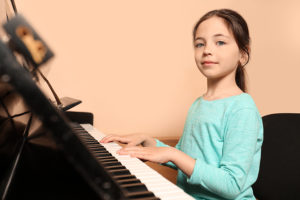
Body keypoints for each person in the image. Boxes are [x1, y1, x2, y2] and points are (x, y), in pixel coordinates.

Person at [101, 9, 263, 200]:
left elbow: (232, 185)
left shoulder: (242, 109)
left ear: (243, 54)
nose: (207, 50)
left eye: (220, 42)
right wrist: (150, 142)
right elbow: (188, 158)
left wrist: (172, 154)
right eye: (200, 43)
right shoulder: (199, 103)